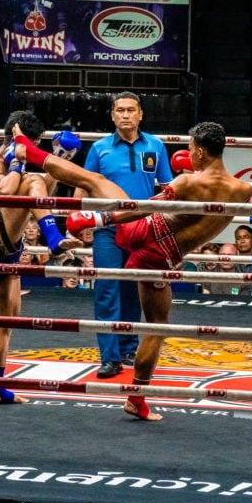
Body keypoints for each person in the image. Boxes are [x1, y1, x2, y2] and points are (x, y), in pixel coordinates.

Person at [15, 121, 252, 421]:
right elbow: (210, 225)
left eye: (191, 149)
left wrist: (100, 219)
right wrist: (180, 249)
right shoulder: (244, 189)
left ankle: (28, 149)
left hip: (144, 233)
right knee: (156, 328)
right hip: (163, 254)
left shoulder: (187, 183)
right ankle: (136, 399)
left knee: (93, 179)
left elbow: (143, 207)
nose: (188, 154)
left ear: (202, 152)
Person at [0, 111, 82, 404]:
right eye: (32, 147)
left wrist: (60, 161)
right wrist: (18, 158)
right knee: (31, 180)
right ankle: (54, 239)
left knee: (8, 321)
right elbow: (5, 188)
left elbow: (43, 193)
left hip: (9, 243)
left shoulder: (20, 170)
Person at [73, 91, 173, 379]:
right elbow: (85, 184)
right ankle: (109, 357)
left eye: (131, 109)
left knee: (133, 291)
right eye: (120, 110)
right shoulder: (99, 148)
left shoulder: (155, 145)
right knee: (107, 290)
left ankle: (129, 348)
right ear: (112, 115)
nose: (126, 114)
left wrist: (163, 227)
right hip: (107, 228)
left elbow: (167, 189)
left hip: (143, 229)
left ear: (140, 114)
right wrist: (79, 220)